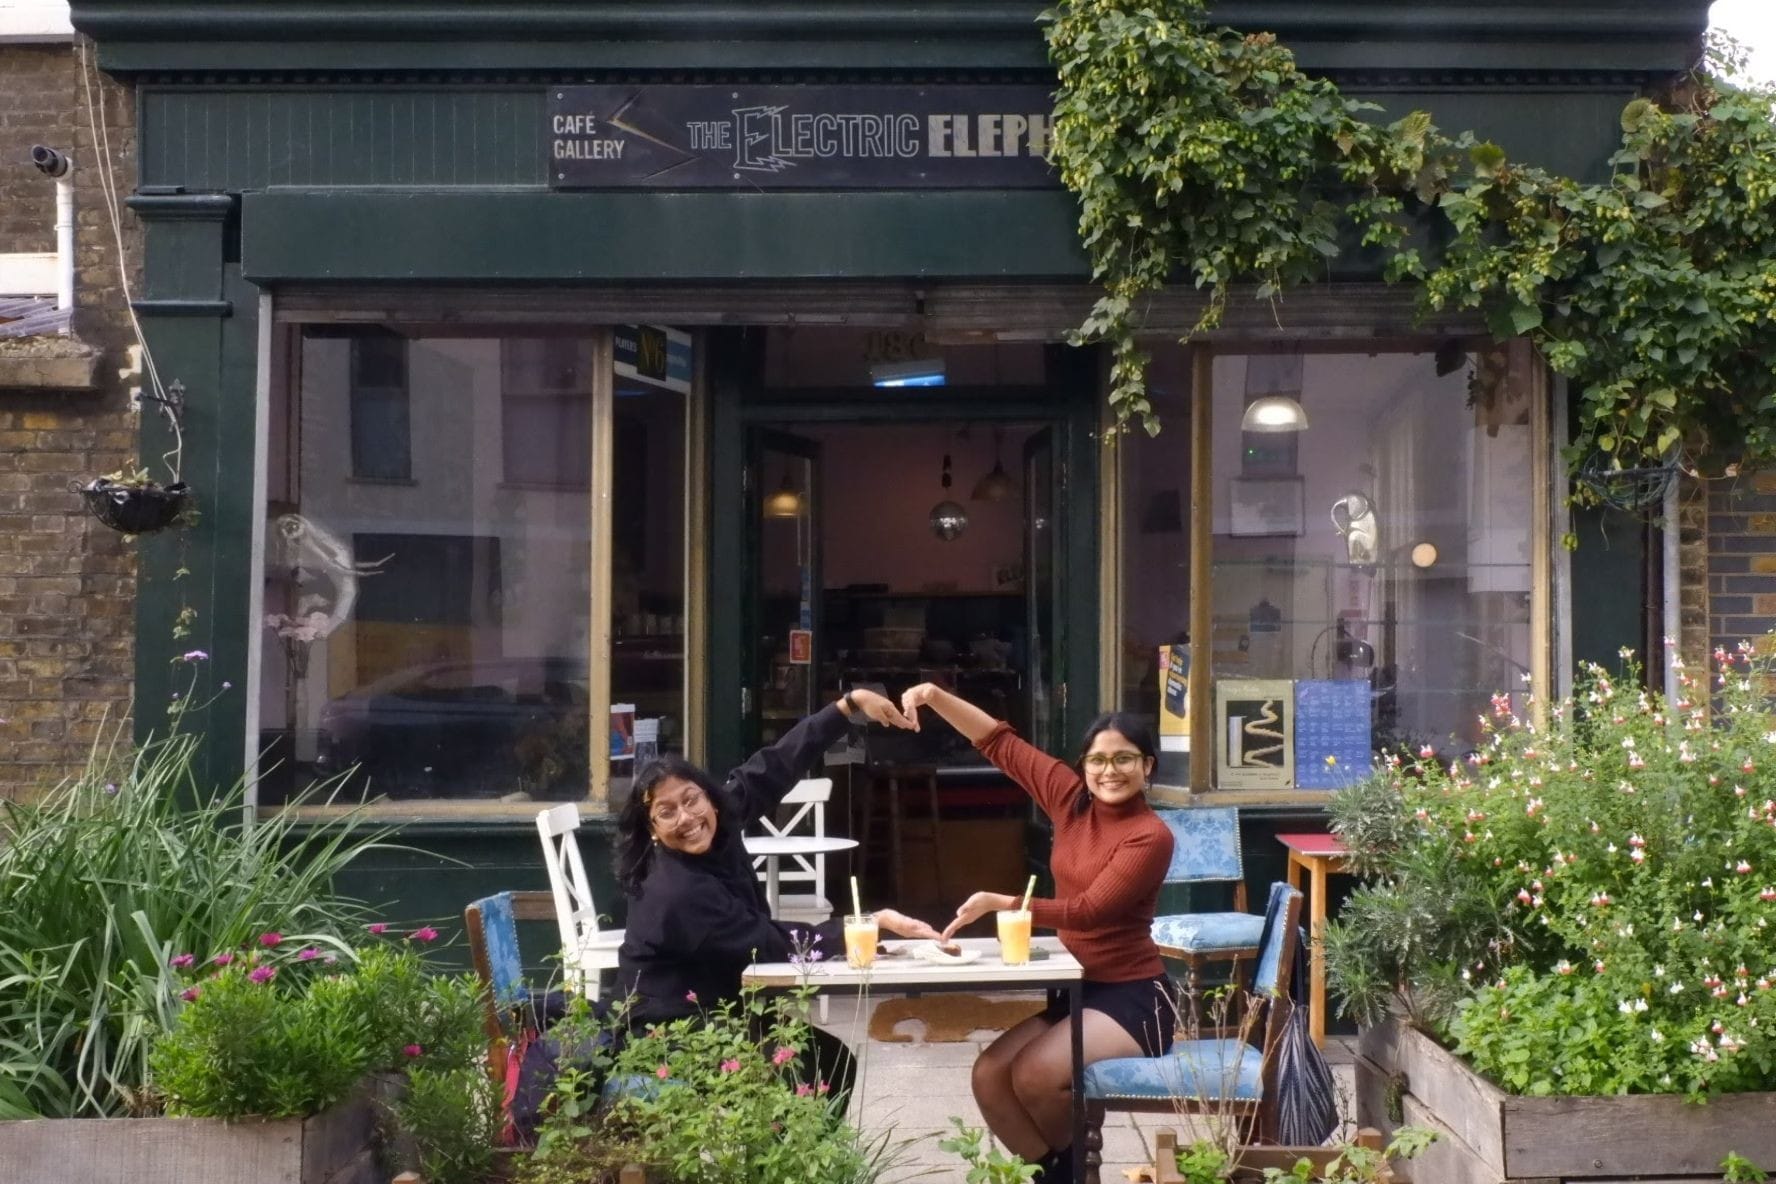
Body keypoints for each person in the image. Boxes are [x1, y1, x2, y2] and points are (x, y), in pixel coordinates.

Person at [615, 687, 943, 1105]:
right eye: (666, 812)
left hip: (720, 1011)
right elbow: (770, 947)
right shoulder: (678, 892)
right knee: (814, 1067)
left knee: (828, 1062)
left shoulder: (716, 818)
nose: (687, 818)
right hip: (670, 1031)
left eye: (691, 799)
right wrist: (864, 924)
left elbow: (775, 767)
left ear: (708, 798)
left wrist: (847, 706)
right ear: (652, 830)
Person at [899, 683, 1174, 1180]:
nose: (1109, 771)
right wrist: (935, 696)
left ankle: (1070, 1172)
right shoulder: (1070, 801)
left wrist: (1003, 903)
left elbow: (1091, 911)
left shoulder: (1150, 836)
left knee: (1035, 1075)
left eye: (1124, 759)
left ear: (1148, 766)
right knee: (988, 1076)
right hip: (1078, 989)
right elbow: (1000, 744)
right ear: (1083, 766)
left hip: (1133, 998)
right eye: (1097, 760)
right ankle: (1057, 1170)